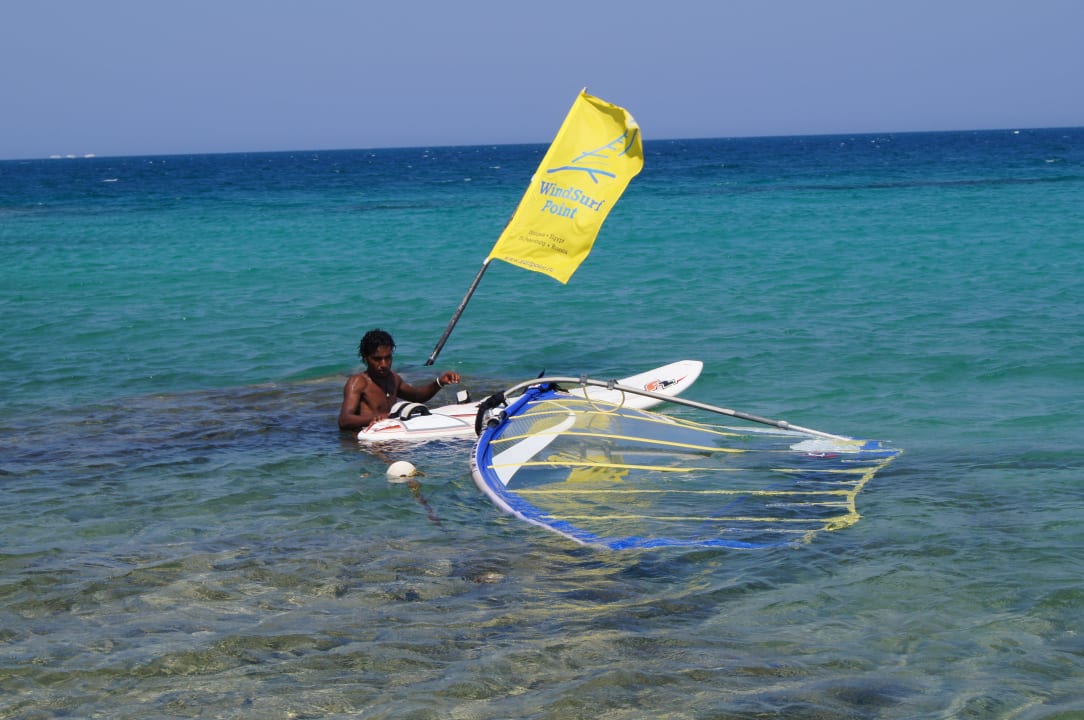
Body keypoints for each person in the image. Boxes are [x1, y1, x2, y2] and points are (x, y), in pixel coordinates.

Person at [338, 329, 460, 431]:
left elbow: (417, 396)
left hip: (389, 434)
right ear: (366, 358)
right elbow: (344, 420)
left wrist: (439, 382)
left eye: (388, 358)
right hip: (364, 441)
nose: (384, 364)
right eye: (377, 359)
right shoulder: (358, 382)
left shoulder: (393, 378)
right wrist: (376, 418)